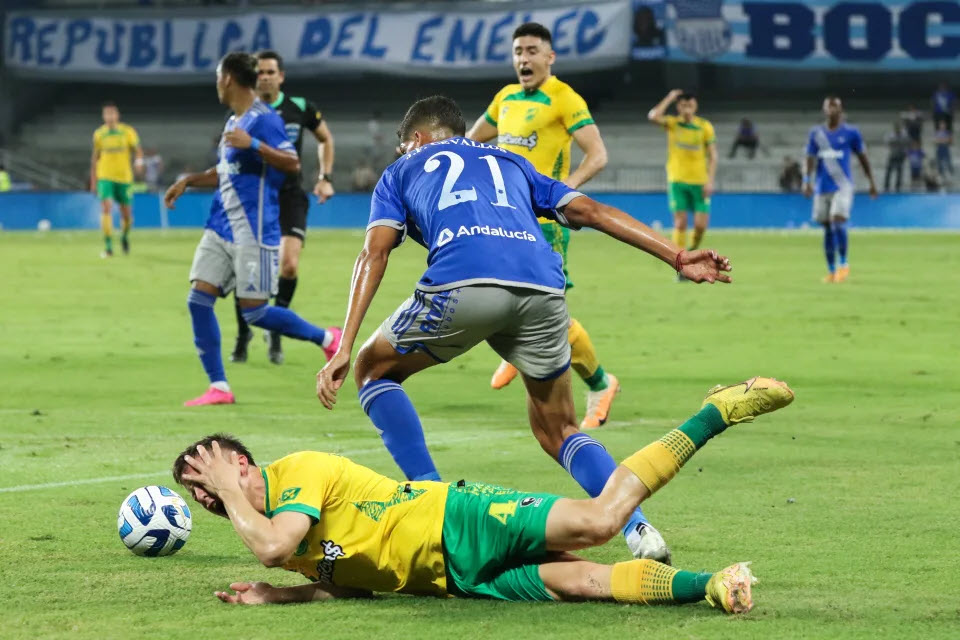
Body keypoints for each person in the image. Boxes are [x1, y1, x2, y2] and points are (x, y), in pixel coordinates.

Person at [315, 95, 734, 566]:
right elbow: (590, 212)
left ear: (417, 138)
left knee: (374, 370)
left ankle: (432, 504)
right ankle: (638, 528)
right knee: (559, 429)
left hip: (462, 286)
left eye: (402, 144)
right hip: (541, 289)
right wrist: (677, 256)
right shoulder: (510, 160)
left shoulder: (403, 169)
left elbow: (375, 253)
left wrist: (345, 346)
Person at [174, 377, 794, 609]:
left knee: (602, 522)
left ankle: (715, 412)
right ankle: (713, 586)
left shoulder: (296, 473)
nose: (211, 498)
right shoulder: (291, 537)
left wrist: (229, 494)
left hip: (459, 520)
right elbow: (346, 577)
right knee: (581, 582)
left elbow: (271, 545)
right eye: (201, 497)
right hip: (455, 579)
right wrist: (284, 598)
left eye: (210, 479)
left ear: (241, 463)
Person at [464, 23, 619, 434]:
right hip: (503, 222)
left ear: (550, 58)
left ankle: (602, 385)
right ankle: (515, 352)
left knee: (552, 315)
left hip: (545, 226)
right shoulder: (505, 98)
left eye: (532, 51)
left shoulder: (564, 98)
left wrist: (563, 191)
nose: (523, 59)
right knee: (496, 293)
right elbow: (469, 142)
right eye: (518, 51)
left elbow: (598, 155)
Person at [163, 52, 340, 407]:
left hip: (254, 227)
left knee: (255, 312)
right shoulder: (234, 121)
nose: (216, 83)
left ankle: (327, 338)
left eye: (217, 77)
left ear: (228, 78)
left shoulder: (265, 120)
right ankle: (220, 387)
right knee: (198, 300)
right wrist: (191, 181)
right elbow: (226, 170)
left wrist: (255, 145)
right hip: (220, 224)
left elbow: (291, 162)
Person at [230, 50, 339, 366]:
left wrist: (325, 177)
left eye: (270, 71)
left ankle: (275, 331)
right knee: (248, 271)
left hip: (290, 197)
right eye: (260, 72)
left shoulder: (300, 108)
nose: (264, 76)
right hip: (255, 198)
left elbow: (325, 139)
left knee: (288, 266)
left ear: (281, 76)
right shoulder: (244, 112)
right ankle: (243, 334)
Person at [803, 96, 878, 284]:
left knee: (837, 221)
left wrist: (871, 181)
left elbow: (863, 157)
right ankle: (831, 271)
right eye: (828, 107)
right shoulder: (816, 133)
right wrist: (806, 180)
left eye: (835, 107)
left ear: (841, 110)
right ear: (824, 110)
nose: (831, 110)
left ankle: (844, 264)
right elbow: (810, 158)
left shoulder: (851, 133)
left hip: (843, 185)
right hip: (822, 187)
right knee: (828, 228)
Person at [648, 89, 718, 275]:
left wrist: (710, 181)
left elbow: (713, 156)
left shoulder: (704, 127)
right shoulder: (672, 123)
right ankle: (681, 264)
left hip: (700, 182)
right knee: (680, 223)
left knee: (701, 226)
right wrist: (669, 97)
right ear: (678, 107)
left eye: (690, 104)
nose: (687, 108)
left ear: (695, 106)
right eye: (683, 105)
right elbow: (653, 116)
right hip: (677, 180)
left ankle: (692, 250)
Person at [90, 101, 143, 257]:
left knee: (126, 214)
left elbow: (138, 150)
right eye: (107, 114)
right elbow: (95, 157)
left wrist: (139, 162)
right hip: (105, 176)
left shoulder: (128, 132)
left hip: (124, 177)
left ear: (117, 115)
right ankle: (108, 247)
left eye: (112, 113)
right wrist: (94, 180)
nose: (110, 117)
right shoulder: (99, 134)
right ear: (103, 116)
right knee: (106, 207)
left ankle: (124, 237)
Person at [883, 122, 908, 193]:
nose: (898, 130)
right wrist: (894, 142)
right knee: (889, 171)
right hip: (893, 155)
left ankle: (898, 187)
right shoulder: (891, 135)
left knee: (899, 172)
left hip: (901, 156)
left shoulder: (904, 135)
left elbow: (907, 143)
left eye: (899, 129)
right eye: (897, 129)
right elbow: (887, 142)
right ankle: (886, 186)